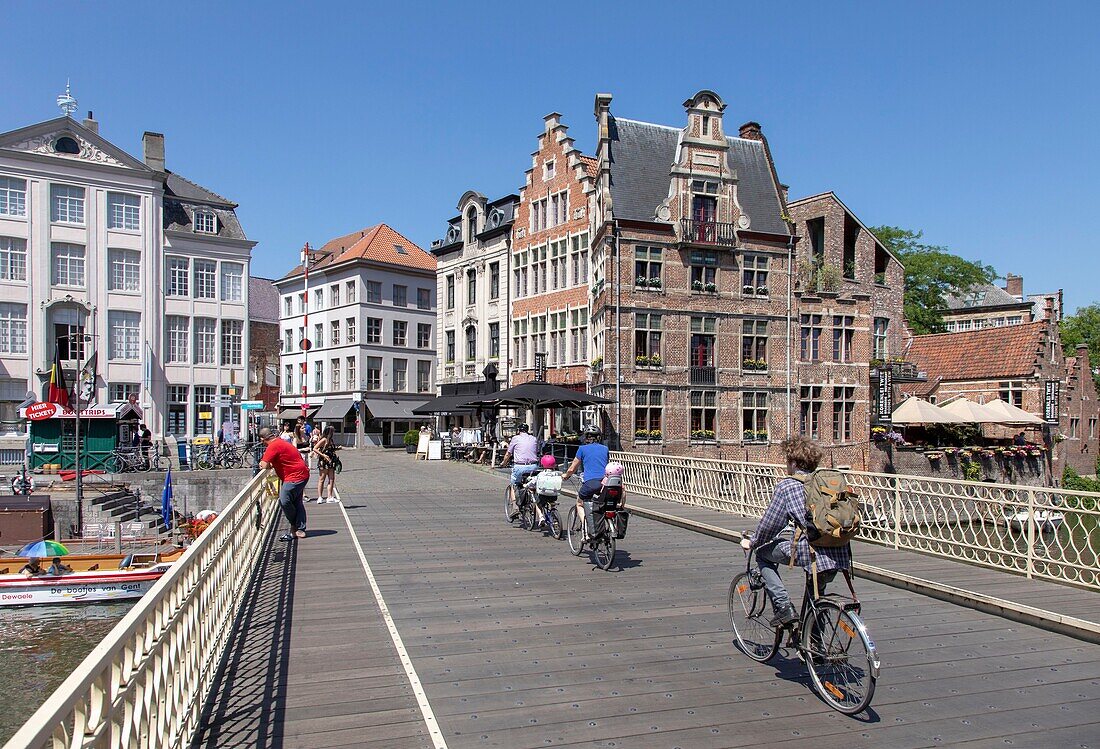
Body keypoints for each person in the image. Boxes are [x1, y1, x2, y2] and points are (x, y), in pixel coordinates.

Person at [740, 436, 852, 627]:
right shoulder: (826, 482)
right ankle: (815, 649)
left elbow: (770, 525)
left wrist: (753, 542)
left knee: (763, 555)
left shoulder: (788, 486)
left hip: (810, 552)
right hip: (840, 551)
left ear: (793, 462)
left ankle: (783, 607)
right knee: (816, 596)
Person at [258, 426, 311, 540]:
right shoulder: (280, 442)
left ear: (263, 439)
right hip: (302, 474)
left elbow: (264, 465)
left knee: (284, 501)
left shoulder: (273, 446)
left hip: (294, 477)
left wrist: (265, 463)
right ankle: (300, 528)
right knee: (297, 501)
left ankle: (295, 525)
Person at [561, 424, 610, 541]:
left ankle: (585, 529)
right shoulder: (605, 449)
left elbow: (572, 468)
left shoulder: (582, 449)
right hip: (604, 483)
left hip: (590, 483)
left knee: (580, 503)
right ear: (599, 437)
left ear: (586, 437)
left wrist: (566, 476)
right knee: (601, 503)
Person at [499, 423, 540, 519]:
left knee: (514, 485)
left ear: (518, 431)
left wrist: (503, 463)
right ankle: (532, 500)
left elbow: (508, 453)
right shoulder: (534, 438)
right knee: (531, 485)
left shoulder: (515, 439)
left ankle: (515, 508)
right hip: (533, 466)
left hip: (520, 466)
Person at [313, 426, 339, 504]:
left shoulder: (331, 440)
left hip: (331, 461)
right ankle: (320, 497)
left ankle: (329, 497)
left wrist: (338, 448)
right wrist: (323, 455)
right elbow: (315, 448)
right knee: (322, 479)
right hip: (324, 461)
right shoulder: (324, 440)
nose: (333, 433)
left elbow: (331, 449)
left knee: (331, 479)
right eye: (332, 432)